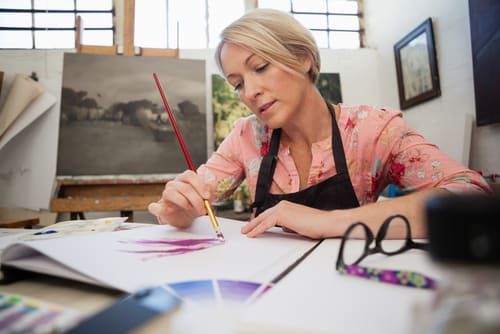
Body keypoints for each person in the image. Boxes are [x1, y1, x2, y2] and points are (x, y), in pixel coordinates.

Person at [148, 9, 491, 240]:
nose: (249, 92)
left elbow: (472, 195)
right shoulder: (245, 136)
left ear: (302, 58)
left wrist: (329, 222)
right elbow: (194, 199)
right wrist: (180, 208)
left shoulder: (374, 130)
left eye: (261, 67)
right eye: (237, 83)